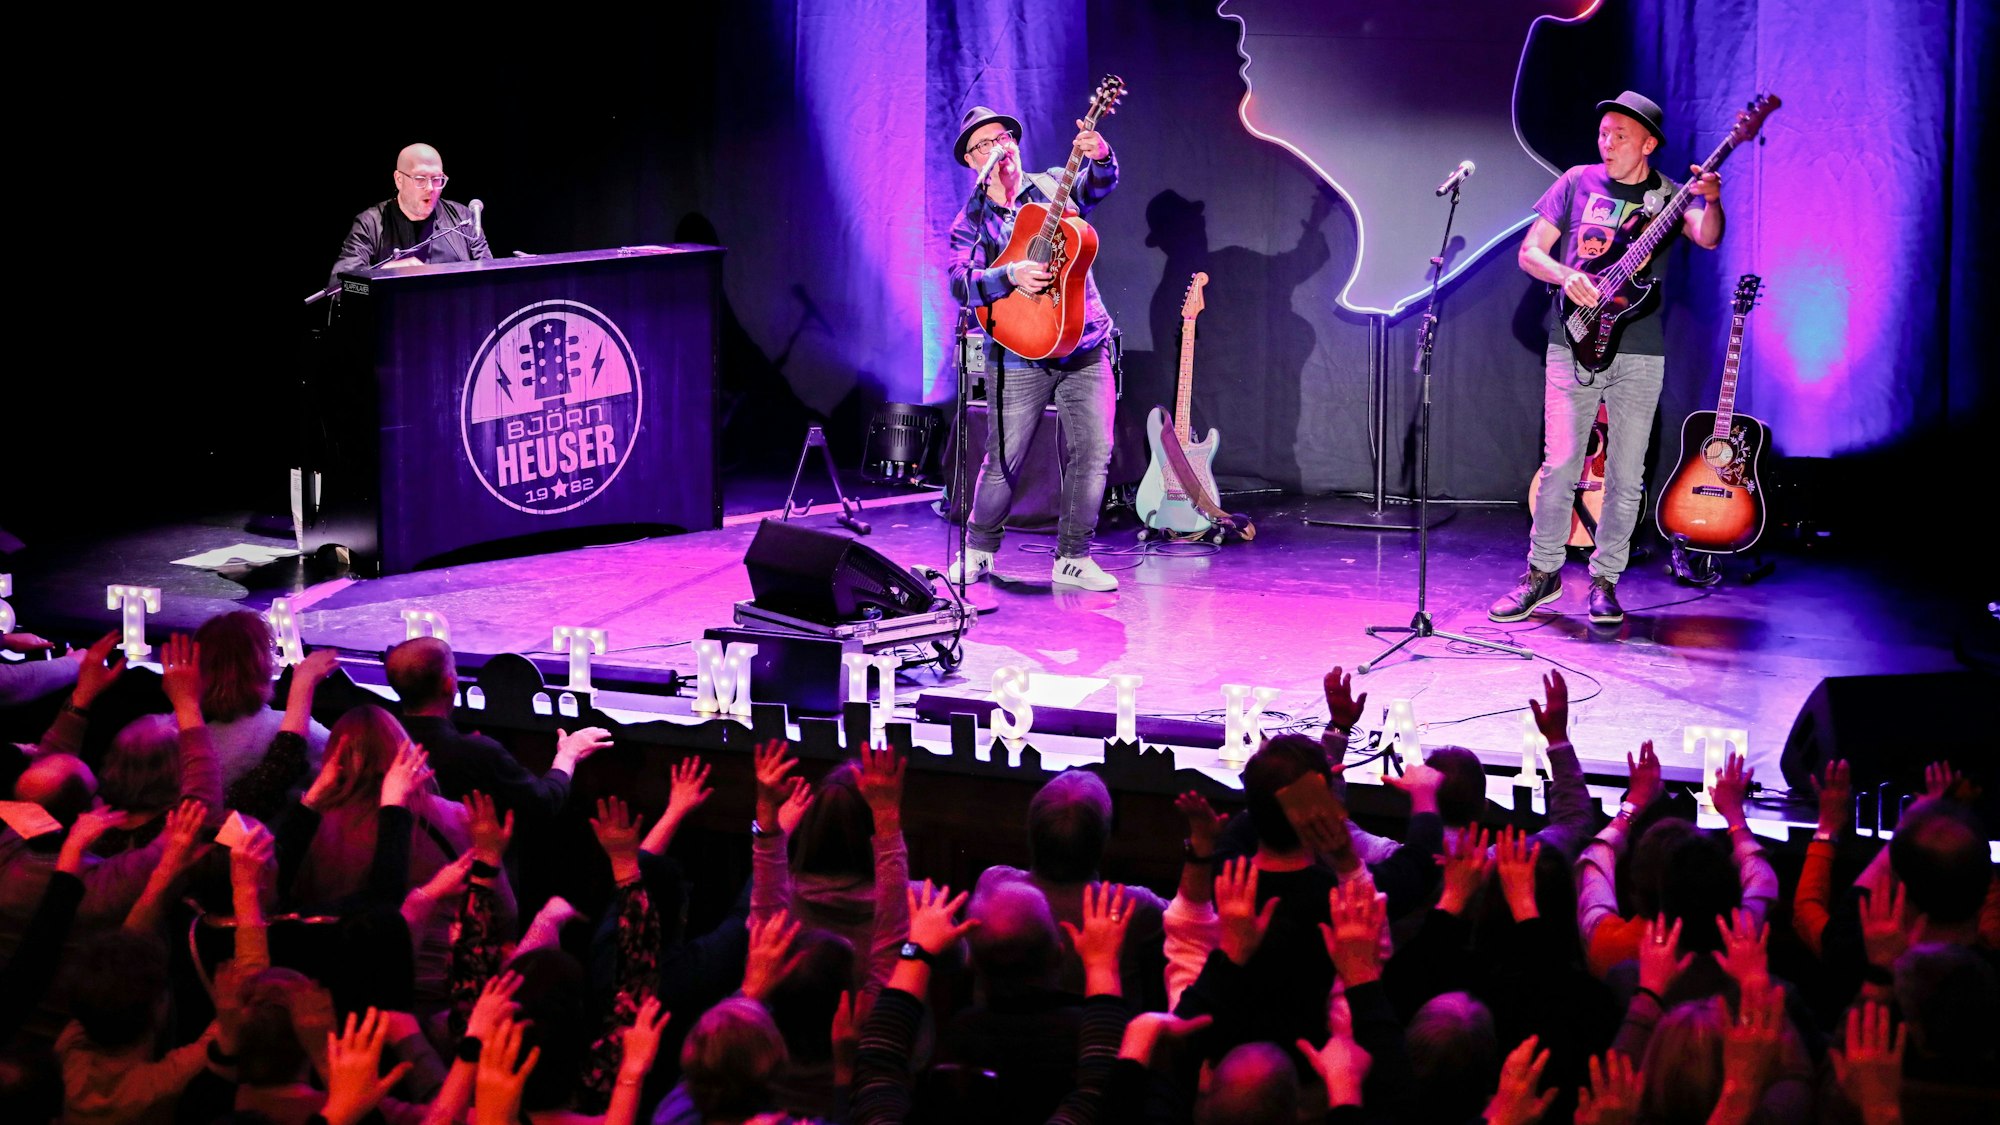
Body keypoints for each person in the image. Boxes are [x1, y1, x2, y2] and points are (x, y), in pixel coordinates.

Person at [1491, 91, 1725, 627]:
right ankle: (1542, 574)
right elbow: (1531, 252)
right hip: (1570, 341)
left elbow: (1708, 238)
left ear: (1648, 143)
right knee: (1561, 466)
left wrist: (1711, 199)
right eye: (1604, 132)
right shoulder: (1576, 181)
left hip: (1640, 351)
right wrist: (1565, 275)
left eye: (1621, 134)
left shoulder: (1670, 195)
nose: (1608, 141)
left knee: (1625, 474)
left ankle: (1605, 581)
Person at [946, 105, 1123, 593]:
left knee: (1094, 451)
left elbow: (1098, 185)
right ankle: (978, 550)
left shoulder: (1051, 188)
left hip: (1083, 344)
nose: (1000, 146)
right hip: (1018, 350)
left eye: (1004, 136)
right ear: (970, 160)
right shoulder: (973, 218)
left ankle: (1073, 557)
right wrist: (1010, 274)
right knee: (1004, 459)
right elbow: (959, 283)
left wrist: (1102, 155)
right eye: (986, 143)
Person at [329, 143, 492, 286]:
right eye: (420, 179)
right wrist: (385, 272)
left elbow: (490, 277)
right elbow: (338, 284)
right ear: (399, 179)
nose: (430, 188)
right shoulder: (371, 223)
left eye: (437, 179)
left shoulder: (463, 218)